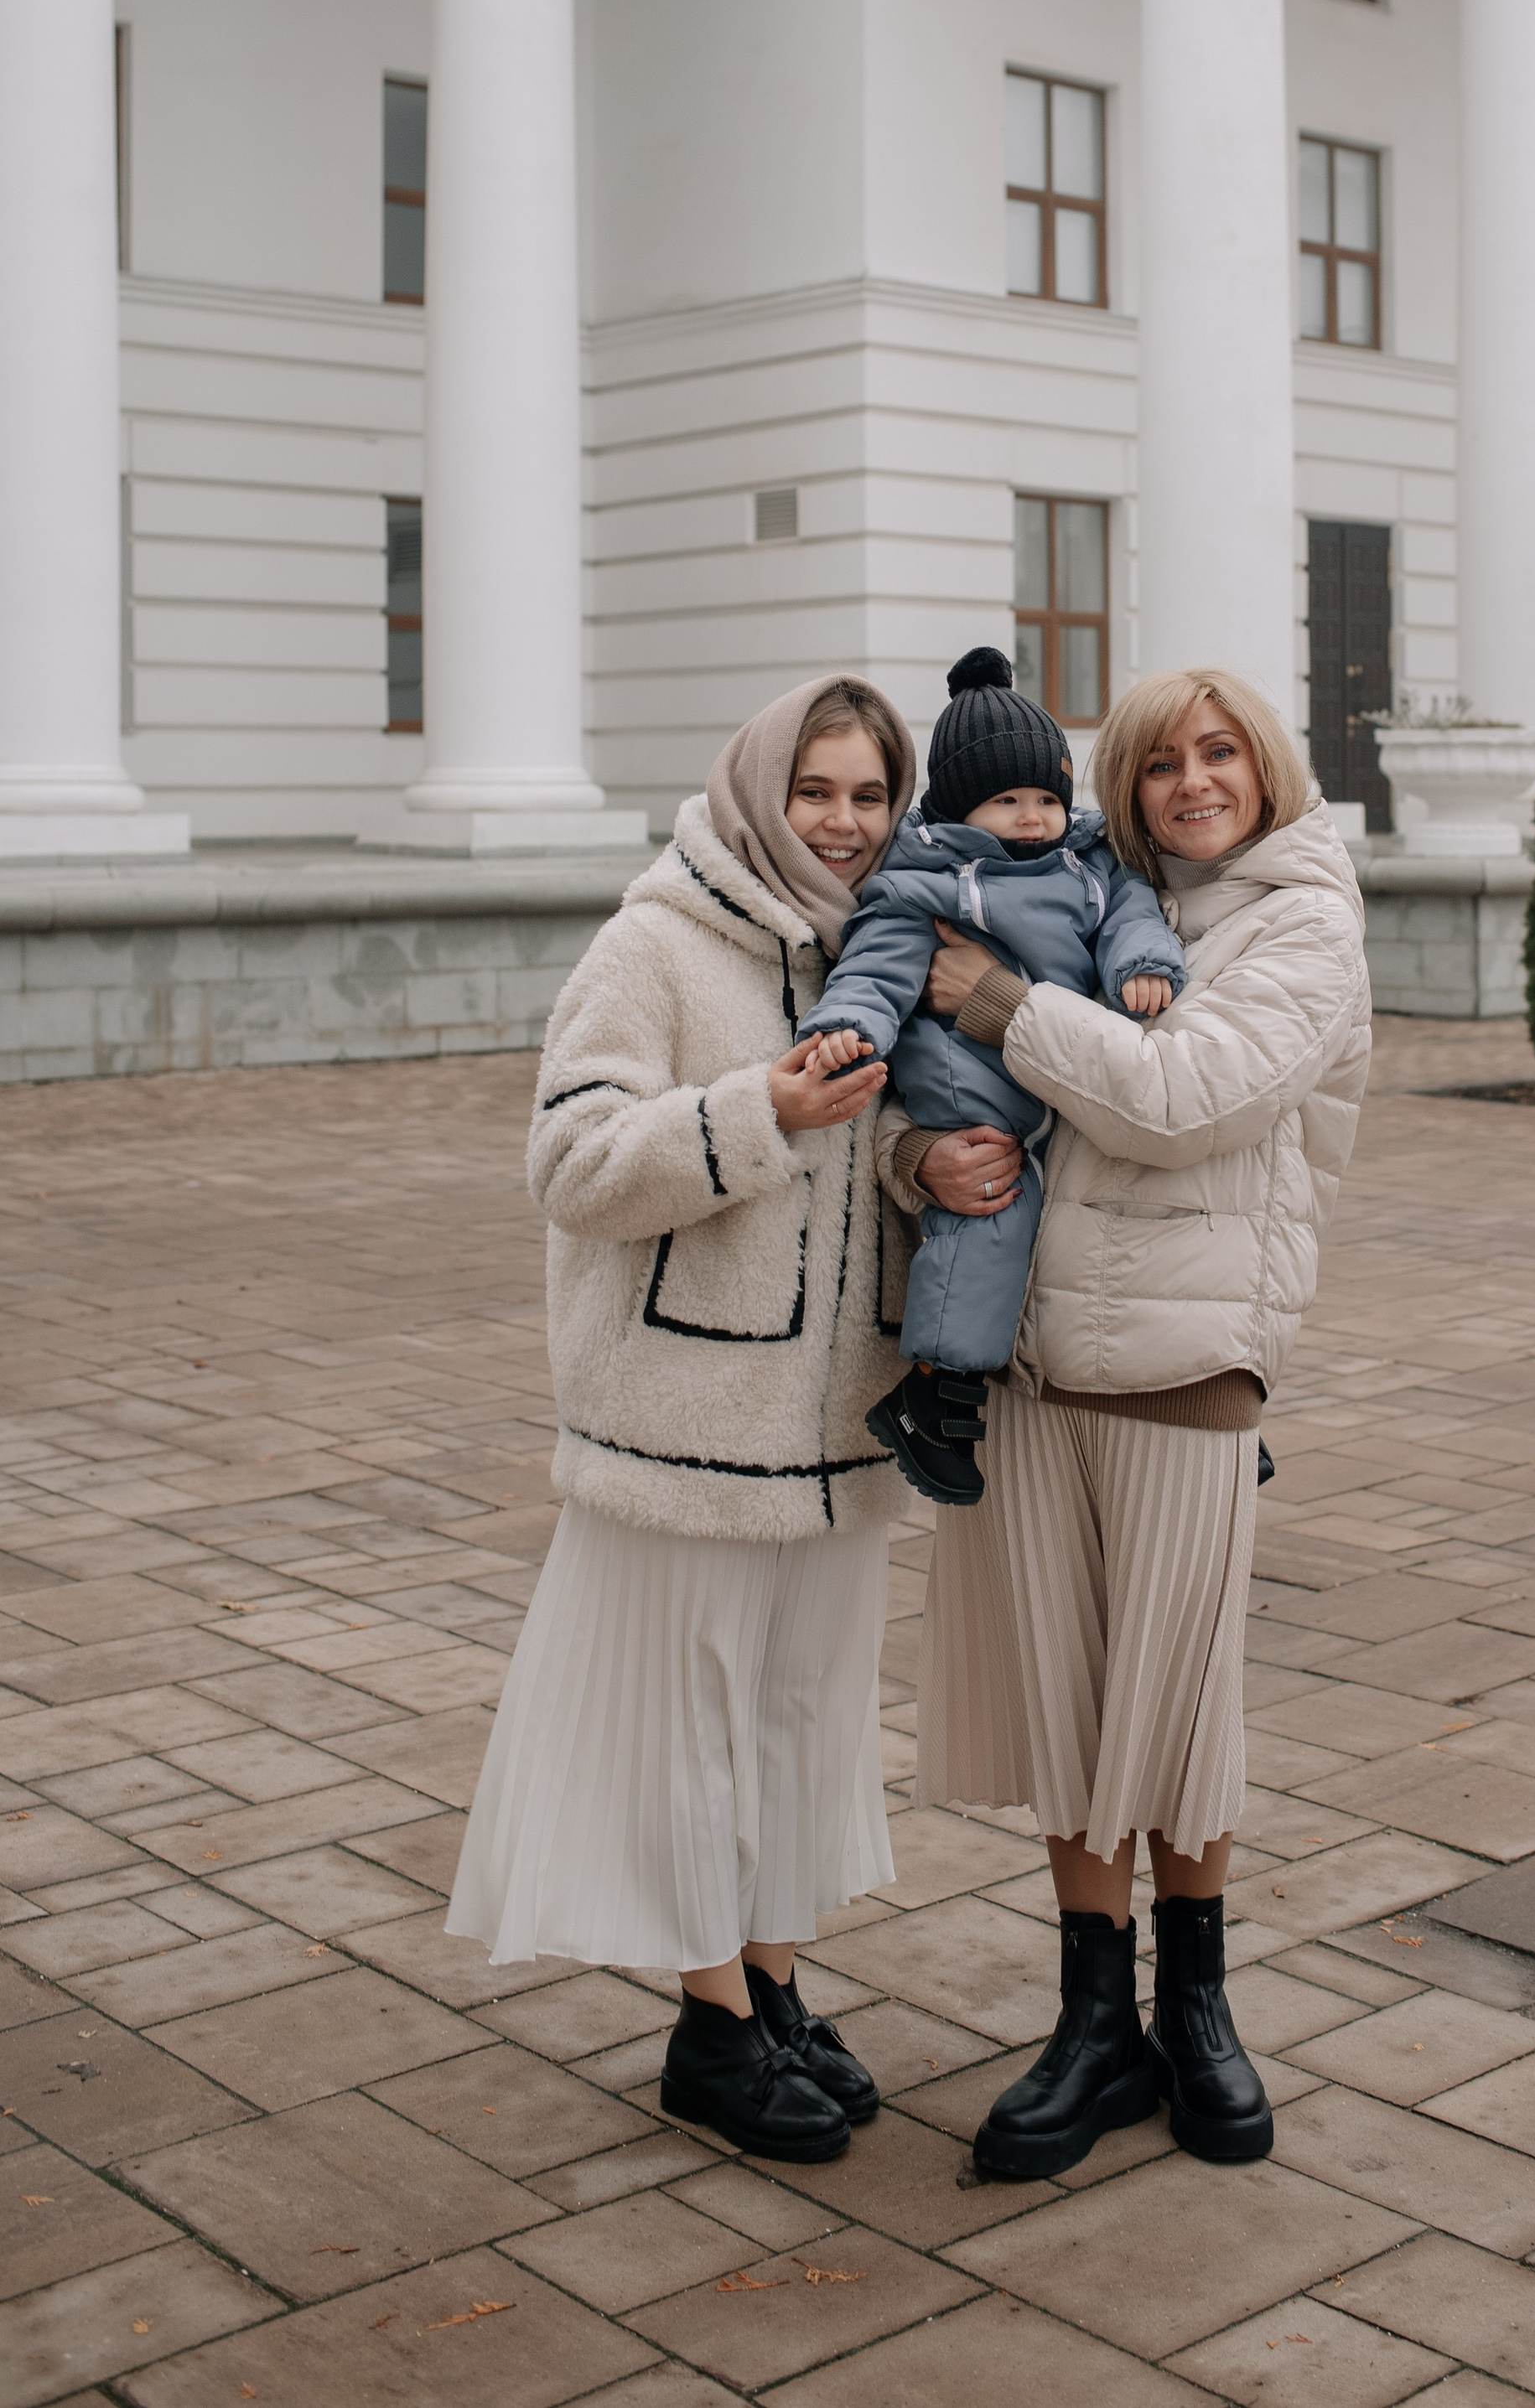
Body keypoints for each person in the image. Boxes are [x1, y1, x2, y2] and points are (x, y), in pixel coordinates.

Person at [899, 667, 1372, 2183]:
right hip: (1028, 1363)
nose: (1192, 782)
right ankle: (1095, 2021)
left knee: (1179, 1708)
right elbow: (969, 1089)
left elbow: (1182, 1104)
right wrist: (921, 1155)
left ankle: (1203, 2007)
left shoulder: (1302, 919)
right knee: (1068, 1702)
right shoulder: (1092, 885)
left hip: (1185, 1370)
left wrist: (996, 997)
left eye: (1220, 753)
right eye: (1159, 761)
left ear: (1268, 766)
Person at [445, 676, 917, 2166]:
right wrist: (755, 1113)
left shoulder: (893, 950)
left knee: (799, 1718)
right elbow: (573, 1161)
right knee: (690, 1730)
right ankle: (710, 2026)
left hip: (843, 1432)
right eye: (816, 791)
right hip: (682, 1432)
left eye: (868, 795)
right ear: (756, 791)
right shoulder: (653, 941)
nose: (843, 824)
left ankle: (773, 1986)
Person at [799, 646, 1184, 1505]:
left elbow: (1132, 918)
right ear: (959, 805)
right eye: (1007, 800)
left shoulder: (1092, 866)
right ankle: (938, 1394)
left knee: (1126, 1209)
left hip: (1063, 1075)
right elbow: (876, 969)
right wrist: (847, 1025)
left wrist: (1143, 966)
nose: (1032, 818)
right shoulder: (932, 881)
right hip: (975, 1089)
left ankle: (1194, 1394)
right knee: (988, 1219)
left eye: (1046, 797)